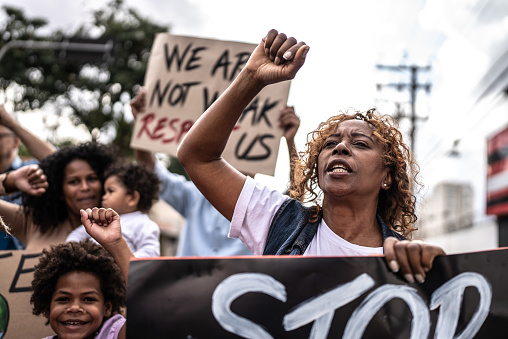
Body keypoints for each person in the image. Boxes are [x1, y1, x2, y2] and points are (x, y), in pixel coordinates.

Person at [176, 29, 446, 284]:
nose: (340, 148)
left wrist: (437, 275)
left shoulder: (403, 259)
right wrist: (252, 76)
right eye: (330, 143)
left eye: (361, 144)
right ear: (317, 169)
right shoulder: (279, 221)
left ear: (387, 176)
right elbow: (197, 157)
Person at [131, 89, 301, 257]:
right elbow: (152, 174)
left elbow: (296, 196)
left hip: (238, 284)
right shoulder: (194, 195)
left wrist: (290, 141)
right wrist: (141, 124)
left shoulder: (264, 206)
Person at [0, 142, 117, 251]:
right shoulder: (33, 223)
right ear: (60, 190)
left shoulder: (121, 226)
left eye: (92, 179)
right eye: (74, 182)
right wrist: (9, 181)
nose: (85, 187)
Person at [31, 240, 126, 339]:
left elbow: (142, 312)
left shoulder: (114, 334)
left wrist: (116, 243)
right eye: (64, 299)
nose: (74, 308)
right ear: (48, 309)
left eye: (88, 299)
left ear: (106, 308)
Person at [67, 162, 161, 258]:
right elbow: (78, 233)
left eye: (110, 191)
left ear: (132, 198)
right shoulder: (101, 217)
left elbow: (150, 253)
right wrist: (71, 248)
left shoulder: (144, 224)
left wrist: (124, 261)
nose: (104, 197)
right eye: (105, 192)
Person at [0, 104, 57, 249]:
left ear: (16, 141)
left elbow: (60, 162)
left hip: (24, 262)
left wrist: (11, 123)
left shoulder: (33, 170)